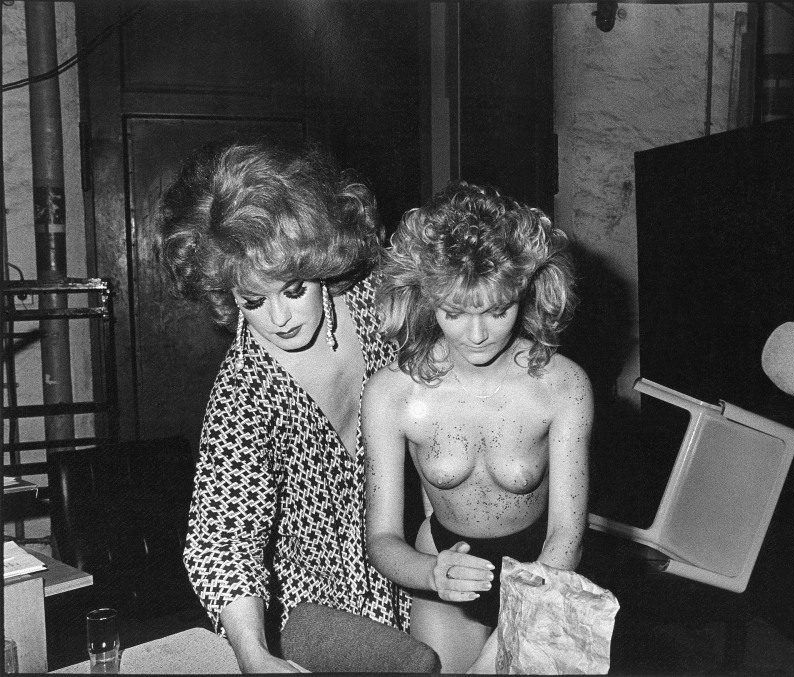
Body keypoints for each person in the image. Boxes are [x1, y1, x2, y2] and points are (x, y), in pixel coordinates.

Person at [156, 140, 441, 674]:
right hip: (315, 621)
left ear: (318, 262)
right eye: (252, 300)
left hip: (418, 575)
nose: (280, 318)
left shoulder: (382, 305)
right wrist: (253, 653)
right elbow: (223, 539)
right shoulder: (244, 389)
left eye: (293, 289)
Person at [363, 181, 593, 673]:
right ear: (426, 298)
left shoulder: (563, 385)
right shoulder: (392, 394)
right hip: (445, 565)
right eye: (454, 312)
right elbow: (381, 539)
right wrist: (432, 573)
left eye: (497, 310)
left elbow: (568, 534)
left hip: (545, 566)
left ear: (524, 291)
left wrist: (508, 639)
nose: (477, 334)